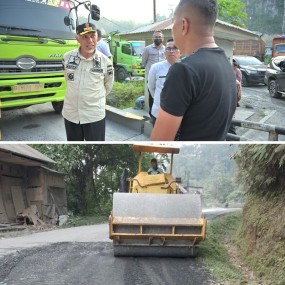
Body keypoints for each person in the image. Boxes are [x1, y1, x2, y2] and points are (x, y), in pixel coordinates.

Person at [150, 0, 237, 141]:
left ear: (183, 25)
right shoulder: (225, 63)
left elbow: (159, 143)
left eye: (173, 23)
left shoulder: (183, 70)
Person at [62, 22, 114, 141]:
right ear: (77, 39)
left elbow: (108, 85)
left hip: (94, 115)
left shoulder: (106, 62)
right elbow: (68, 79)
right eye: (85, 37)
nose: (90, 41)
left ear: (98, 38)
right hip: (71, 114)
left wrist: (92, 98)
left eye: (92, 36)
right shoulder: (67, 58)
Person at [148, 38, 181, 126]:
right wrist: (159, 99)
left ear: (180, 52)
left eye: (174, 48)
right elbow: (151, 87)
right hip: (159, 112)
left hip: (178, 114)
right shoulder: (155, 67)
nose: (171, 51)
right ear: (164, 52)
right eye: (168, 49)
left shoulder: (186, 68)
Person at [141, 30, 165, 120]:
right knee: (152, 96)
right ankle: (152, 115)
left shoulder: (166, 49)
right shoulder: (147, 49)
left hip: (162, 78)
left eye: (159, 37)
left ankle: (161, 114)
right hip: (151, 77)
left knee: (162, 95)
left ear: (163, 38)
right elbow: (143, 62)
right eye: (156, 37)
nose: (158, 38)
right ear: (152, 38)